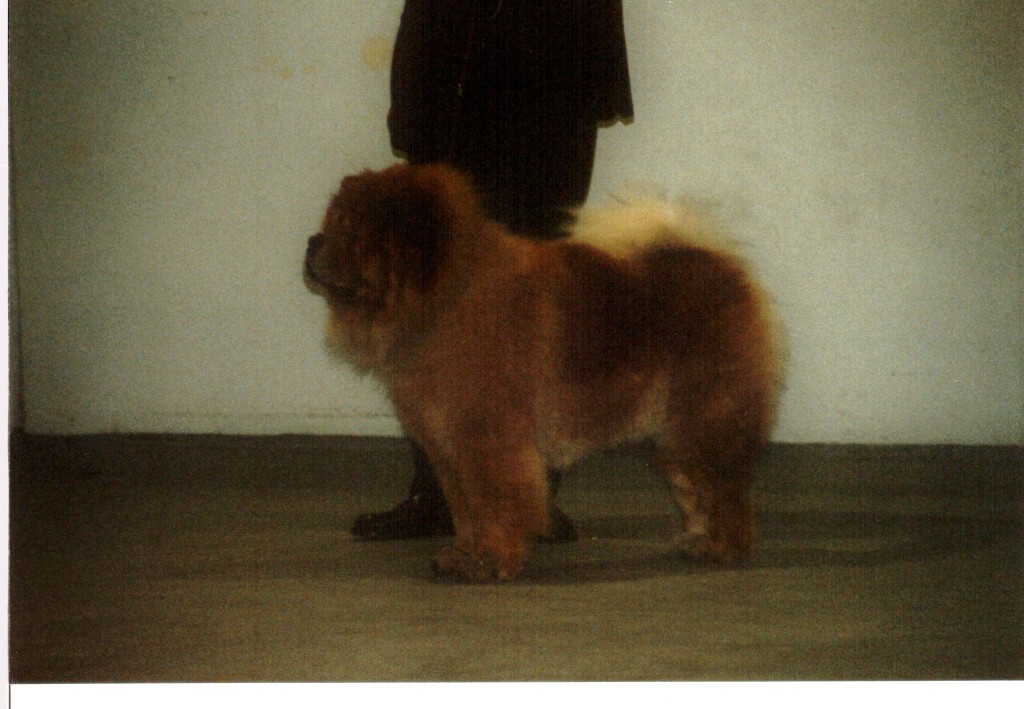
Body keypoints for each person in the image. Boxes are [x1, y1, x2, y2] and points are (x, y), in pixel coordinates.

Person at [351, 0, 633, 541]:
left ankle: (534, 497)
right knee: (438, 298)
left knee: (536, 305)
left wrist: (595, 88)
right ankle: (438, 494)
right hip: (455, 91)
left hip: (554, 92)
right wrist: (411, 107)